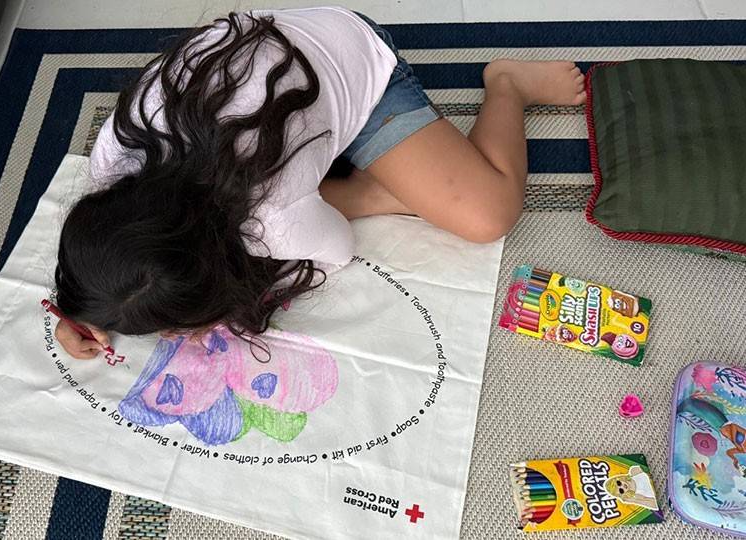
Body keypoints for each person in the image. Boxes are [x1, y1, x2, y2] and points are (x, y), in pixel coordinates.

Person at [53, 6, 585, 358]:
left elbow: (337, 247)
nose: (171, 339)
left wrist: (370, 197)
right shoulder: (112, 162)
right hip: (275, 67)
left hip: (353, 61)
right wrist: (86, 311)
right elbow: (112, 259)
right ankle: (355, 180)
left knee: (486, 214)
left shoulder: (268, 216)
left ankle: (509, 85)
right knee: (311, 187)